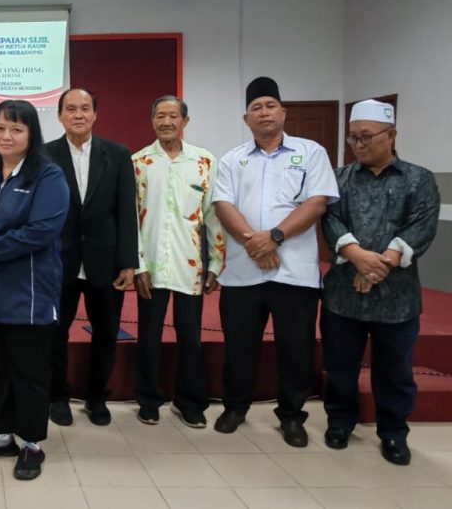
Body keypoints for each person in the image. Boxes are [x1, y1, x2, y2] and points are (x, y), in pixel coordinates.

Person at [212, 77, 338, 447]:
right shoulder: (232, 159)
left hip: (294, 274)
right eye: (256, 108)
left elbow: (317, 203)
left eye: (270, 106)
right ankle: (235, 408)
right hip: (242, 272)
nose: (264, 112)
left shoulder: (311, 153)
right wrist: (256, 244)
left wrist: (275, 237)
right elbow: (223, 205)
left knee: (296, 349)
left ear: (283, 112)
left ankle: (292, 417)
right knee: (239, 347)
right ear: (246, 118)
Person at [0, 99, 69, 481]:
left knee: (29, 375)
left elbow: (40, 232)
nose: (6, 135)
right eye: (0, 127)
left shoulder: (48, 176)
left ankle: (32, 444)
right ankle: (2, 436)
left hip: (27, 295)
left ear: (31, 134)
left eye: (17, 129)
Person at [320, 99, 440, 465]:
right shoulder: (339, 178)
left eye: (366, 136)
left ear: (391, 135)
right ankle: (340, 422)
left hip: (396, 297)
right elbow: (330, 221)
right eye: (353, 137)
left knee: (394, 371)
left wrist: (380, 263)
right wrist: (357, 256)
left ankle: (393, 432)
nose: (358, 144)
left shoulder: (418, 179)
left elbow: (421, 226)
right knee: (340, 366)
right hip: (344, 293)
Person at [44, 88, 138, 426]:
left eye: (85, 108)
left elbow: (126, 211)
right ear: (60, 115)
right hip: (58, 263)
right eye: (70, 109)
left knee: (106, 333)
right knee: (55, 334)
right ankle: (58, 396)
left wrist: (128, 262)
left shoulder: (118, 154)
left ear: (95, 114)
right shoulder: (44, 155)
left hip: (105, 262)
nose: (78, 115)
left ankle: (97, 397)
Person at [132, 96, 224, 428]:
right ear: (152, 120)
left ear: (186, 121)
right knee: (148, 336)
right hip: (151, 264)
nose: (166, 121)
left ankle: (190, 402)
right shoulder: (139, 162)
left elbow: (213, 215)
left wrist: (215, 263)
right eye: (160, 115)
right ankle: (148, 400)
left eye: (173, 116)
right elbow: (131, 219)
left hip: (191, 264)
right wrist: (138, 264)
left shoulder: (205, 161)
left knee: (190, 336)